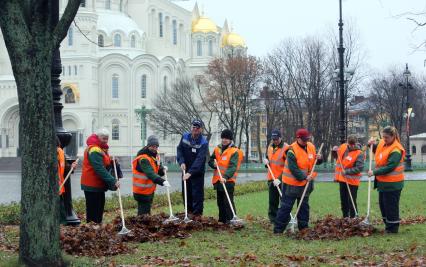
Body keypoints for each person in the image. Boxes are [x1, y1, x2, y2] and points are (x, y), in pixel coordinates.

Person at [274, 129, 322, 233]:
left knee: (304, 207)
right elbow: (293, 169)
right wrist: (305, 177)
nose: (306, 141)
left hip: (306, 184)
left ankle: (303, 228)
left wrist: (319, 158)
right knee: (286, 207)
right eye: (303, 140)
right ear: (298, 138)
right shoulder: (291, 150)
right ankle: (278, 230)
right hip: (291, 185)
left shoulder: (311, 146)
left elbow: (314, 162)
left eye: (307, 139)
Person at [368, 126, 405, 233]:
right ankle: (387, 225)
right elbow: (376, 148)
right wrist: (370, 144)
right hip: (382, 183)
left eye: (387, 137)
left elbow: (390, 167)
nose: (384, 139)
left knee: (391, 207)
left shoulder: (396, 150)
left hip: (393, 184)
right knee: (383, 206)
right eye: (383, 137)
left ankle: (392, 229)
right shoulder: (382, 143)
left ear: (393, 136)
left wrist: (374, 172)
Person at [81, 129, 119, 223]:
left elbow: (103, 162)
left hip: (98, 184)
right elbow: (99, 168)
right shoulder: (94, 149)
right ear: (98, 137)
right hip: (92, 185)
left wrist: (111, 161)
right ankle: (92, 231)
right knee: (93, 211)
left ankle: (97, 228)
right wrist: (113, 180)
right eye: (104, 138)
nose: (106, 140)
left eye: (107, 139)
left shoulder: (100, 148)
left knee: (99, 209)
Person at [208, 129, 243, 224]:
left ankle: (231, 219)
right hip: (218, 180)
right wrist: (213, 164)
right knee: (220, 202)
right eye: (223, 138)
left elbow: (233, 166)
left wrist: (226, 177)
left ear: (230, 140)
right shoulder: (217, 149)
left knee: (228, 201)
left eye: (226, 138)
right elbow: (211, 160)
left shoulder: (235, 151)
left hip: (228, 180)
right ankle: (222, 220)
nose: (224, 140)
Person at [176, 119, 209, 216]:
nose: (195, 129)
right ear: (191, 127)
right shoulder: (185, 136)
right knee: (186, 192)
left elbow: (200, 159)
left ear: (201, 129)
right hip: (185, 169)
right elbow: (179, 150)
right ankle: (188, 212)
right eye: (193, 127)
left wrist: (190, 173)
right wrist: (181, 162)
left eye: (197, 127)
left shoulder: (203, 142)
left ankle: (197, 215)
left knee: (197, 194)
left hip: (197, 172)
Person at [132, 135, 170, 215]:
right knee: (143, 214)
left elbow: (157, 170)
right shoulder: (143, 159)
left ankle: (143, 225)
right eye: (152, 146)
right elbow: (150, 173)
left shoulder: (154, 156)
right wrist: (162, 181)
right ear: (148, 146)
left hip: (148, 190)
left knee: (146, 212)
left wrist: (163, 170)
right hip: (141, 191)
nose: (154, 148)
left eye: (156, 146)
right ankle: (141, 226)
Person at [332, 135, 364, 218]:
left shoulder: (359, 153)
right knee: (344, 201)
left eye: (353, 144)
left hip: (353, 182)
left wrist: (346, 172)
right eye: (350, 144)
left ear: (356, 142)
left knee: (352, 201)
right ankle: (345, 217)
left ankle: (354, 218)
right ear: (347, 142)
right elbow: (337, 157)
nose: (352, 146)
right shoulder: (343, 147)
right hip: (343, 180)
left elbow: (359, 168)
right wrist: (334, 151)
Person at [263, 129, 288, 224]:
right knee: (272, 201)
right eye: (273, 139)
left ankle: (284, 219)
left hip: (282, 179)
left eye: (277, 139)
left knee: (284, 202)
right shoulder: (270, 147)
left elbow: (288, 166)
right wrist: (266, 162)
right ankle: (273, 220)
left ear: (280, 138)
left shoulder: (286, 148)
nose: (275, 141)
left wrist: (280, 179)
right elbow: (269, 161)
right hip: (271, 178)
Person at [57, 137, 77, 224]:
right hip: (53, 189)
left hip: (58, 188)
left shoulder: (60, 152)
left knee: (61, 210)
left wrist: (71, 167)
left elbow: (64, 168)